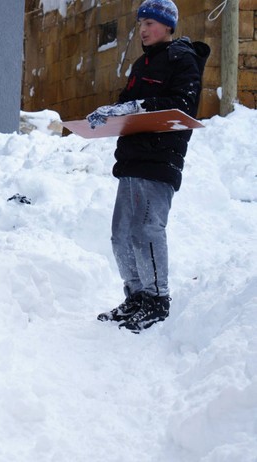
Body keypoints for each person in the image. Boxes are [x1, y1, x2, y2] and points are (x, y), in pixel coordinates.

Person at [89, 0, 209, 332]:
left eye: (151, 23)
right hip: (132, 157)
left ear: (169, 26)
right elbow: (130, 106)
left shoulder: (183, 59)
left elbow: (182, 106)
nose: (142, 29)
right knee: (121, 235)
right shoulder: (141, 64)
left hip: (160, 158)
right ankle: (137, 296)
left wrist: (135, 105)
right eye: (140, 22)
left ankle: (158, 300)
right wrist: (110, 112)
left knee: (146, 231)